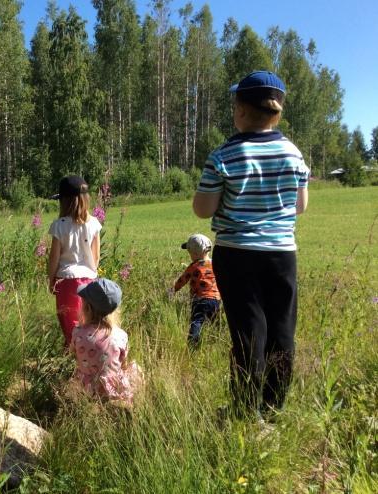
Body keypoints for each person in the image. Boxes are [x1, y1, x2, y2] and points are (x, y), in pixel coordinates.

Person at [193, 71, 309, 419]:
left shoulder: (224, 155)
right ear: (277, 112)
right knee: (281, 329)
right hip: (282, 254)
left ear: (241, 110)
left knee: (248, 332)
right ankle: (273, 408)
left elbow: (203, 209)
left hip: (237, 255)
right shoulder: (293, 153)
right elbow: (300, 206)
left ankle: (246, 412)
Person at [48, 176, 102, 346]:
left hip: (66, 281)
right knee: (89, 324)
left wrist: (51, 279)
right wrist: (92, 274)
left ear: (64, 201)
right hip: (89, 280)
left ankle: (74, 361)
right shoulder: (94, 223)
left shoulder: (59, 225)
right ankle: (90, 359)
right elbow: (96, 256)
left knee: (70, 327)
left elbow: (54, 257)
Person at [70, 278, 141, 406]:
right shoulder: (121, 335)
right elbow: (123, 363)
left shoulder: (77, 332)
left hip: (86, 388)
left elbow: (74, 354)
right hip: (112, 390)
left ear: (87, 308)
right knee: (133, 369)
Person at [172, 233, 221, 348]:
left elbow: (182, 280)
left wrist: (173, 290)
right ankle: (215, 343)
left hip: (199, 300)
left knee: (197, 321)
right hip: (215, 300)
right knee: (214, 322)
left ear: (194, 253)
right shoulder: (216, 265)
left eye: (189, 253)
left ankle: (192, 344)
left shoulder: (193, 266)